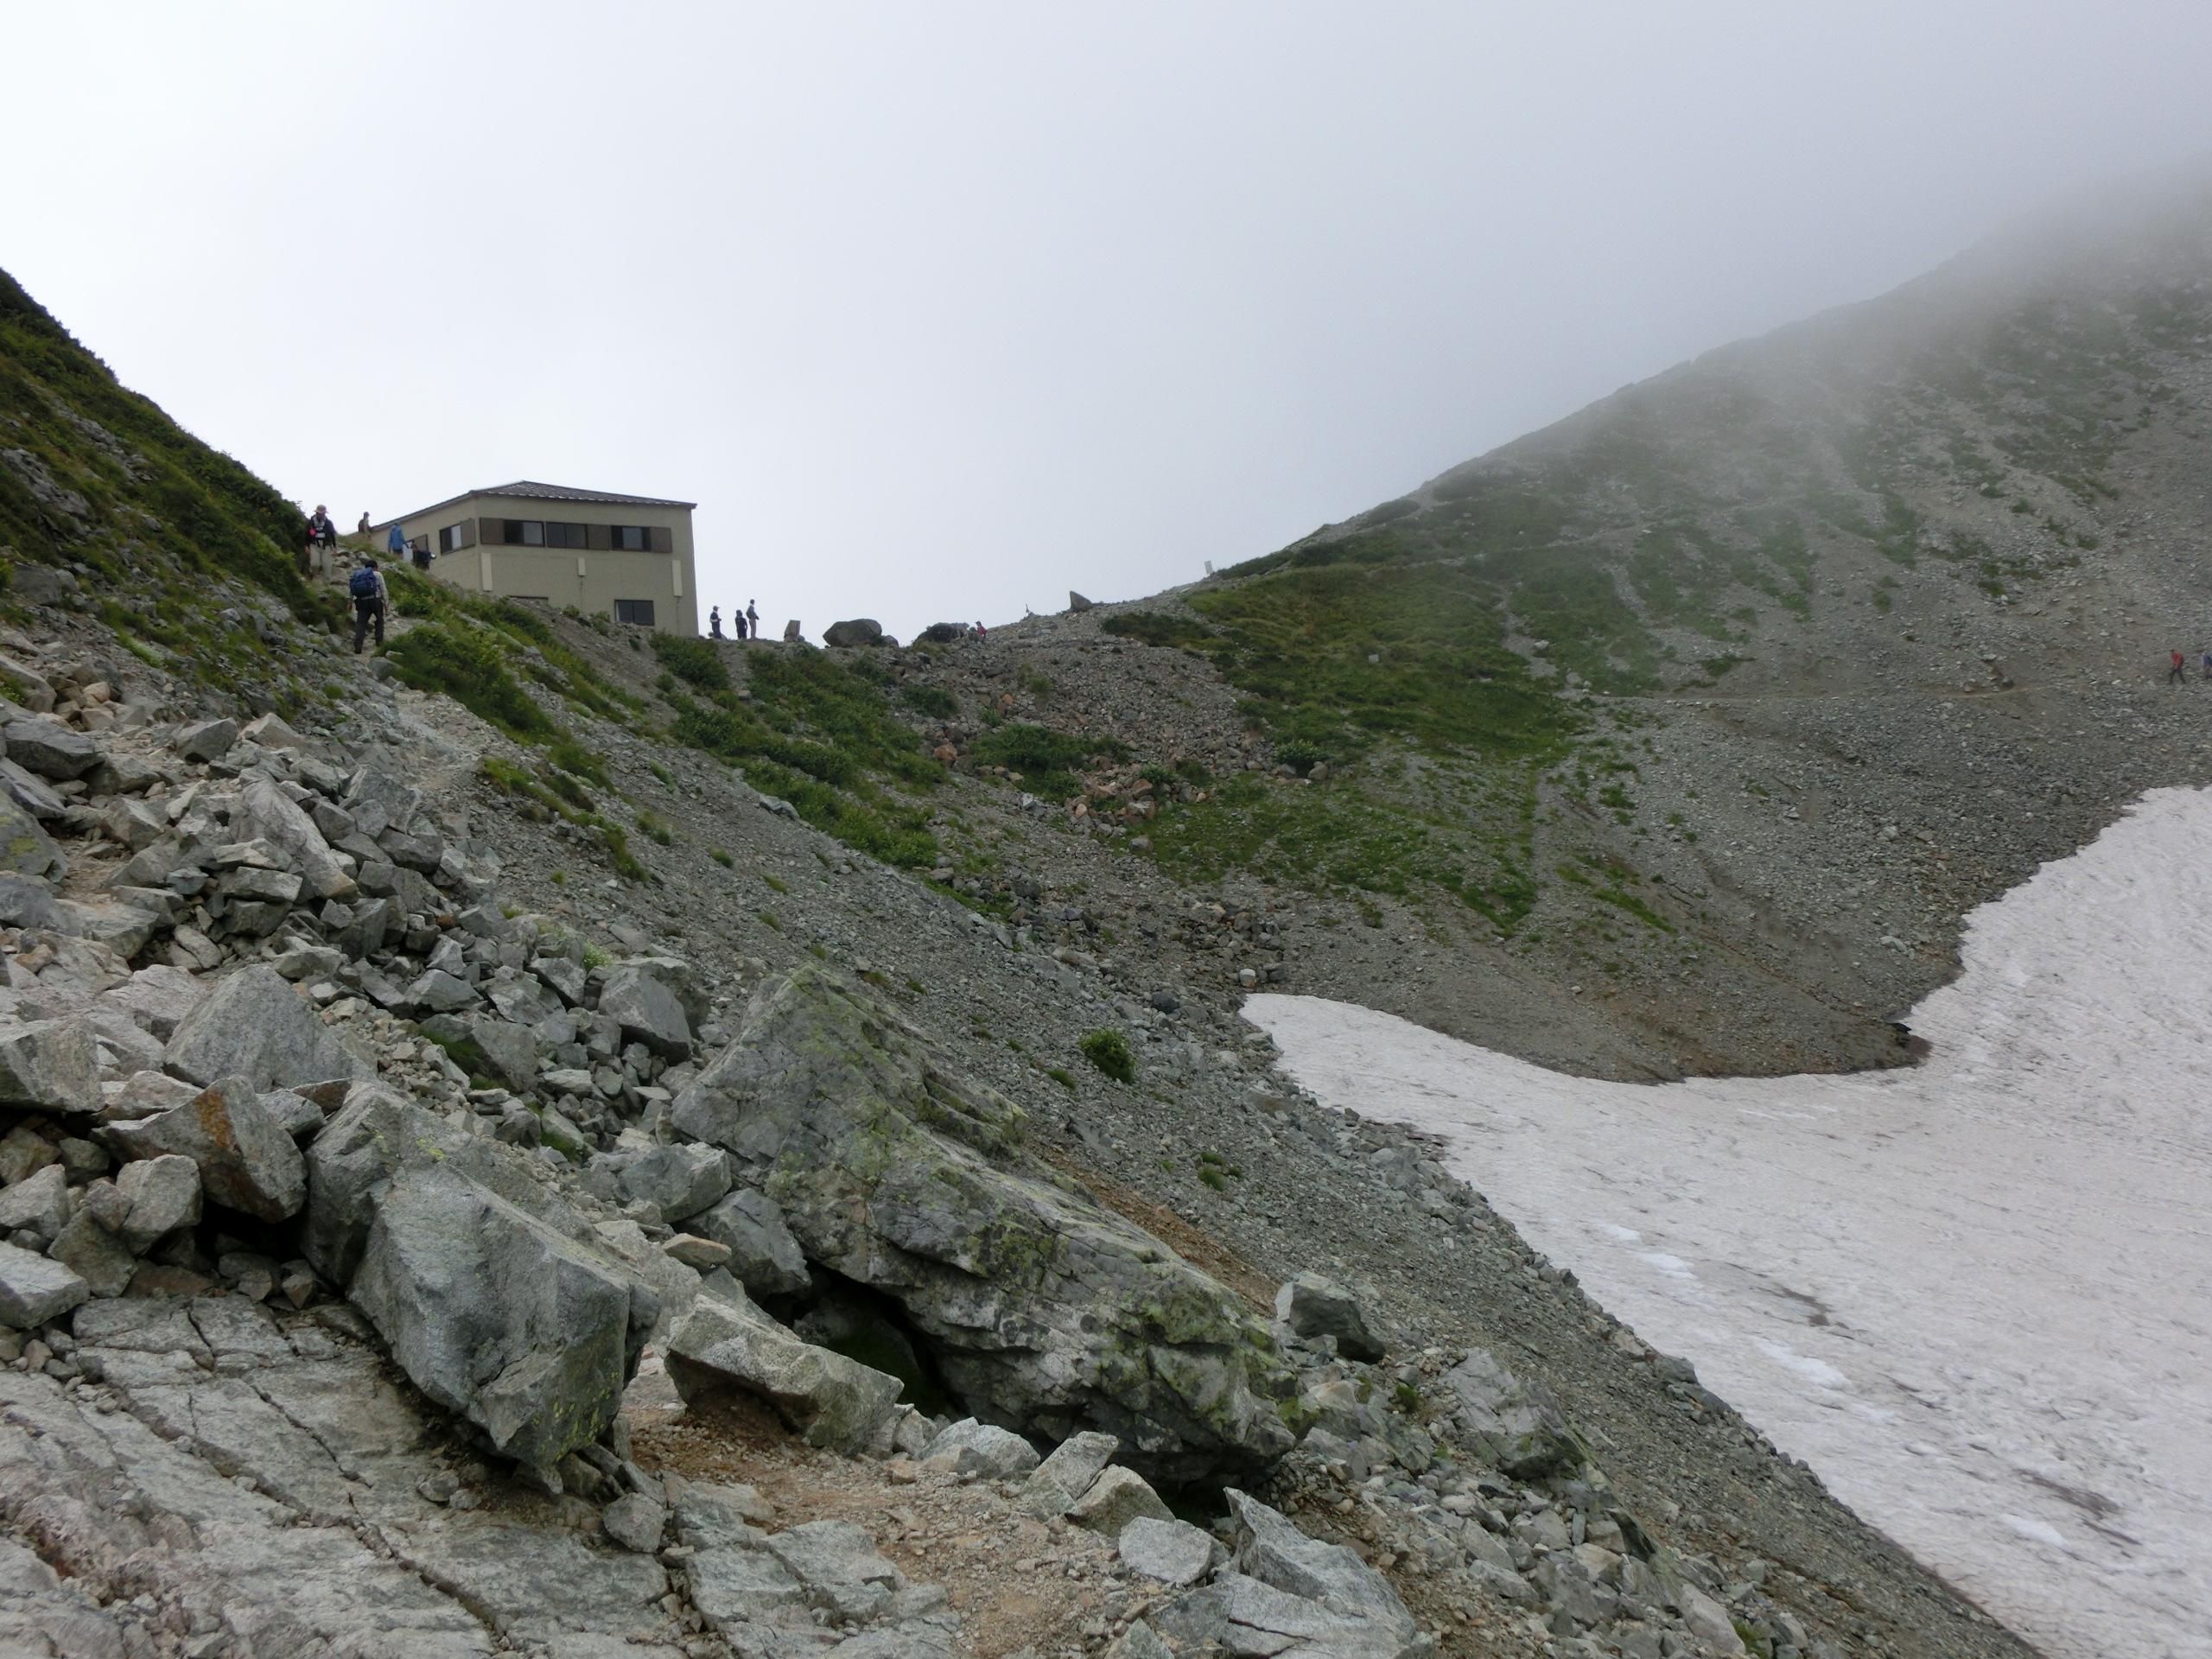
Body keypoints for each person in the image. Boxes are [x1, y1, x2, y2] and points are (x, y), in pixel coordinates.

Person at [349, 558, 390, 654]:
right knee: (379, 620)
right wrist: (386, 602)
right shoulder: (378, 574)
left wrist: (349, 602)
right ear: (376, 567)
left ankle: (358, 645)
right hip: (376, 599)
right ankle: (379, 642)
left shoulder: (358, 575)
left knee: (361, 623)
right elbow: (383, 588)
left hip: (362, 601)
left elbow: (351, 589)